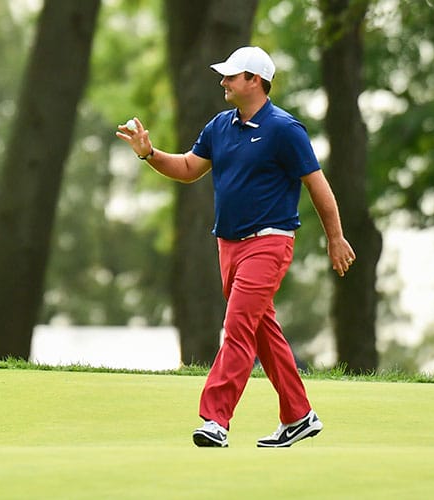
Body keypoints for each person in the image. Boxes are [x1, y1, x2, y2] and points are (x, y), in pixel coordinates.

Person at [115, 46, 356, 448]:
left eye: (232, 76)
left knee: (238, 327)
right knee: (262, 330)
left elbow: (317, 185)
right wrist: (149, 154)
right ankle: (299, 416)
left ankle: (215, 419)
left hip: (269, 242)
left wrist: (335, 237)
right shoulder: (219, 126)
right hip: (228, 245)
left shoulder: (284, 129)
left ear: (256, 81)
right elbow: (190, 168)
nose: (223, 82)